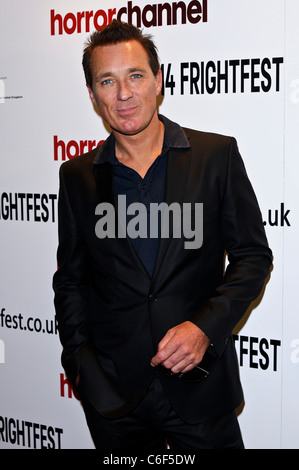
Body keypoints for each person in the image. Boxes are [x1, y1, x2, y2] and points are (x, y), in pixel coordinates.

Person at [53, 20, 272, 450]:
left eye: (135, 75)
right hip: (114, 399)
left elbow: (252, 257)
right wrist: (80, 365)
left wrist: (205, 328)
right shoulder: (76, 176)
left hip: (200, 390)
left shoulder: (215, 156)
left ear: (158, 80)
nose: (123, 94)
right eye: (107, 80)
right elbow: (71, 280)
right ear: (93, 94)